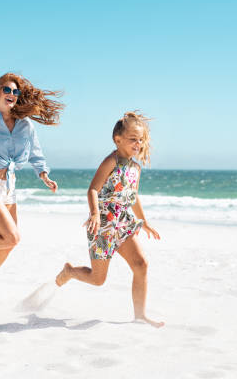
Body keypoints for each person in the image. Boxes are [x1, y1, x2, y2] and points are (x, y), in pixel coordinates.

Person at [55, 112, 164, 328]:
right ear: (118, 140)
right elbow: (93, 189)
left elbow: (132, 197)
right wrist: (95, 213)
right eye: (133, 138)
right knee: (98, 280)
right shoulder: (111, 161)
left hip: (123, 222)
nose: (138, 143)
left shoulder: (136, 168)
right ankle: (70, 272)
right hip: (103, 224)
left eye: (141, 140)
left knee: (141, 265)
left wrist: (145, 221)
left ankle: (140, 315)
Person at [0, 73, 63, 293]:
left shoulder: (25, 125)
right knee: (11, 236)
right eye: (6, 90)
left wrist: (44, 175)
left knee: (9, 242)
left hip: (10, 187)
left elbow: (36, 152)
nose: (11, 94)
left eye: (15, 92)